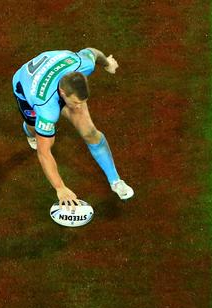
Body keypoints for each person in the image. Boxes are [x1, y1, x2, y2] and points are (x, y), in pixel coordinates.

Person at [12, 47, 134, 210]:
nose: (80, 106)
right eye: (76, 102)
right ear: (63, 93)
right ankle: (28, 131)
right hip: (24, 85)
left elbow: (93, 52)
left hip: (53, 69)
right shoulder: (46, 108)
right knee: (34, 129)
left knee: (90, 133)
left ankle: (116, 181)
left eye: (83, 101)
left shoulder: (83, 64)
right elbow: (44, 152)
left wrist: (107, 63)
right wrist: (60, 188)